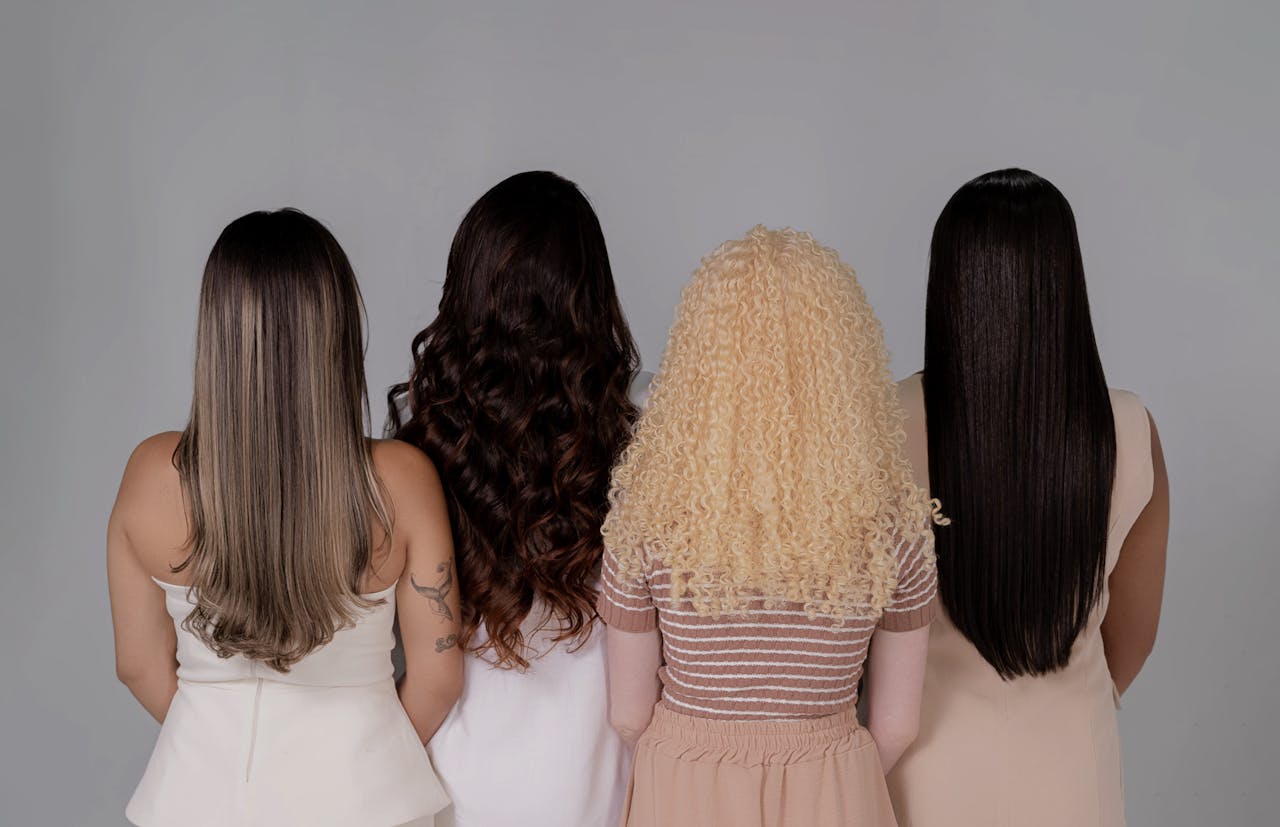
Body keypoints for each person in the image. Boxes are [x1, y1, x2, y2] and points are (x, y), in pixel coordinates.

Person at [108, 209, 462, 827]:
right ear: (339, 330)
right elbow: (438, 677)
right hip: (367, 800)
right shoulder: (401, 481)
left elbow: (137, 665)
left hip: (197, 801)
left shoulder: (150, 475)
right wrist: (362, 762)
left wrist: (221, 748)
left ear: (216, 333)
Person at [599, 226, 940, 827]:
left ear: (702, 358)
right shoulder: (896, 523)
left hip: (686, 785)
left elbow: (628, 715)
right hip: (833, 784)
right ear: (842, 358)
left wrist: (690, 770)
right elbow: (895, 726)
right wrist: (826, 779)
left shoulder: (646, 514)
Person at [886, 169, 1170, 827]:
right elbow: (1133, 634)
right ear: (1064, 284)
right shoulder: (1129, 428)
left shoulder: (881, 421)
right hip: (1074, 769)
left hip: (924, 769)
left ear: (950, 284)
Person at [387, 171, 641, 827]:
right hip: (597, 793)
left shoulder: (419, 451)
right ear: (591, 302)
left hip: (448, 789)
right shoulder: (641, 449)